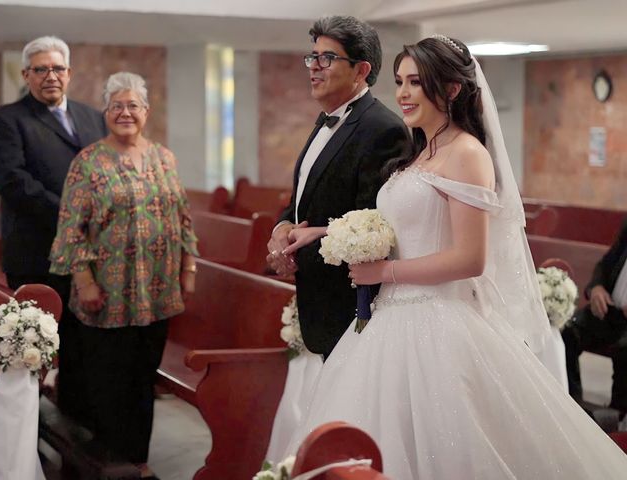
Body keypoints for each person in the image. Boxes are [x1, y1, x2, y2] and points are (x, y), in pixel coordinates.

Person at [283, 36, 627, 479]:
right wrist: (328, 231)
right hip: (386, 319)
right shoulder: (420, 153)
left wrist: (384, 270)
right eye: (399, 82)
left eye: (415, 83)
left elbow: (470, 259)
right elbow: (406, 228)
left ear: (450, 90)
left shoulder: (467, 153)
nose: (403, 94)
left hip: (440, 319)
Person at [49, 72, 198, 478]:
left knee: (141, 384)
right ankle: (102, 465)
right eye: (116, 106)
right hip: (106, 297)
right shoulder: (89, 162)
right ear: (105, 113)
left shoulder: (163, 158)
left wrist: (189, 267)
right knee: (107, 388)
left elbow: (182, 217)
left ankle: (136, 463)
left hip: (158, 294)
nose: (125, 113)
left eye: (133, 105)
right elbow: (70, 228)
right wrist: (84, 282)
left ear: (146, 111)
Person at [266, 15, 411, 359]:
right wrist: (282, 228)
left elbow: (374, 224)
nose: (314, 67)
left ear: (361, 70)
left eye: (327, 58)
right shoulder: (325, 121)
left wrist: (298, 253)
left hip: (349, 303)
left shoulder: (382, 129)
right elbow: (303, 199)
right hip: (318, 298)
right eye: (312, 57)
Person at [0, 36, 106, 422]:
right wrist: (75, 216)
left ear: (69, 73)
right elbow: (13, 182)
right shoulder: (5, 121)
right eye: (40, 69)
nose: (50, 76)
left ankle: (78, 434)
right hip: (36, 255)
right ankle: (27, 438)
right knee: (32, 353)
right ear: (26, 75)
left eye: (57, 68)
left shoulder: (93, 117)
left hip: (89, 259)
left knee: (86, 353)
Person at [562, 218, 627, 420]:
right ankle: (573, 406)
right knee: (567, 331)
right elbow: (605, 263)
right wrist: (597, 287)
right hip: (608, 310)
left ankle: (617, 418)